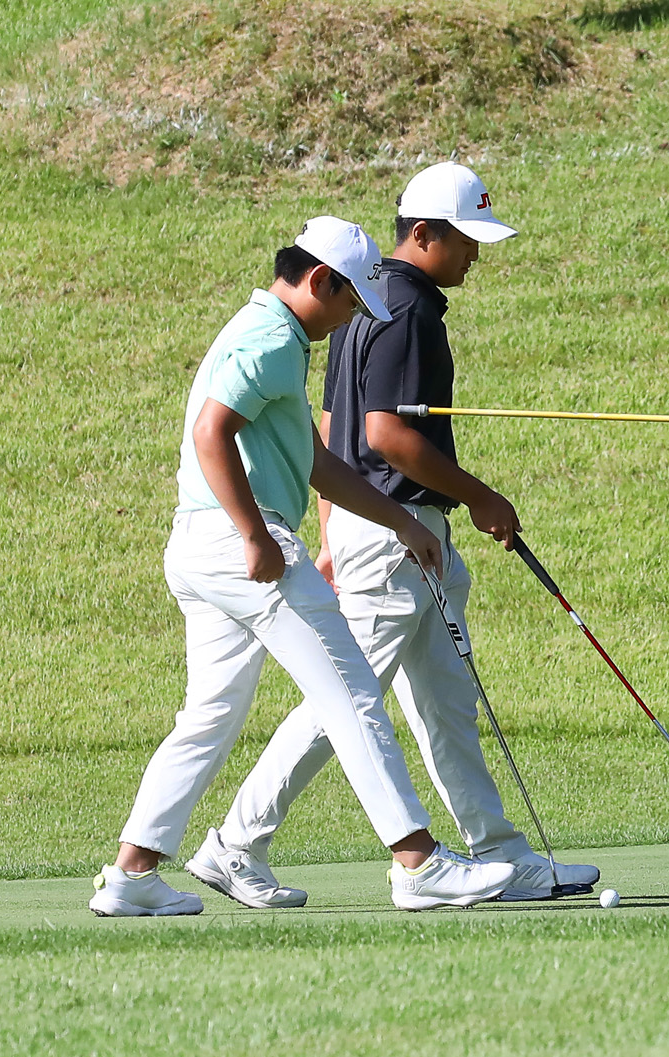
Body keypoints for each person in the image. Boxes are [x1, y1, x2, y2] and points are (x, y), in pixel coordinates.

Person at [193, 164, 599, 907]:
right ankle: (235, 842)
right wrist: (480, 497)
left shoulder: (366, 299)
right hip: (391, 536)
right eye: (468, 241)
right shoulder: (406, 310)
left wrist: (332, 528)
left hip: (387, 530)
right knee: (343, 702)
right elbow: (381, 434)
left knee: (447, 703)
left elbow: (325, 431)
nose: (477, 255)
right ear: (424, 234)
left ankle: (503, 856)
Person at [92, 217, 516, 916]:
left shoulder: (276, 337)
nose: (350, 317)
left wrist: (402, 519)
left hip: (202, 549)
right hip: (244, 549)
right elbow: (211, 433)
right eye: (349, 301)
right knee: (351, 694)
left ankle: (133, 874)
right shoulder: (268, 340)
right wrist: (255, 534)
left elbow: (315, 462)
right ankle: (418, 862)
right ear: (320, 280)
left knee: (210, 714)